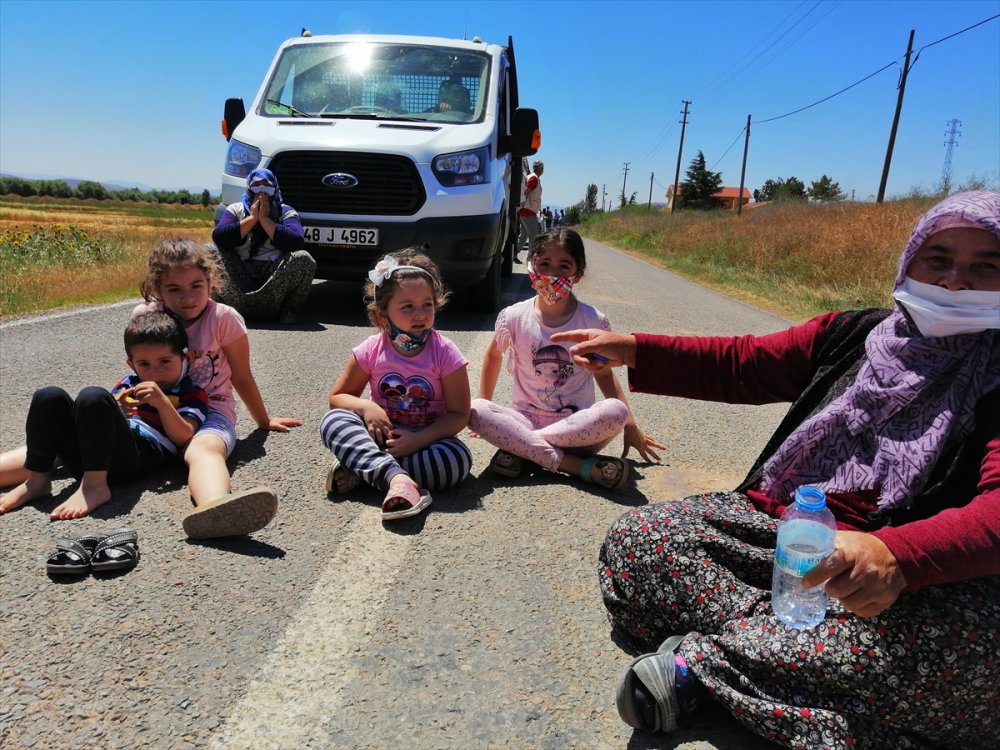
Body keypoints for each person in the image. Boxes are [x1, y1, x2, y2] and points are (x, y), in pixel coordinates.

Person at [552, 191, 1000, 748]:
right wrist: (636, 349)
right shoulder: (855, 334)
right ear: (910, 261)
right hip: (785, 535)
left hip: (889, 580)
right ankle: (791, 663)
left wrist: (900, 556)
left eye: (986, 266)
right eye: (939, 258)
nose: (955, 282)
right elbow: (747, 363)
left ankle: (711, 668)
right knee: (642, 540)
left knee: (965, 650)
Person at [468, 228, 663, 490]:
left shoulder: (592, 321)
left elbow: (603, 373)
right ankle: (573, 465)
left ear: (577, 274)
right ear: (531, 266)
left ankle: (522, 447)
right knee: (476, 409)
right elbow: (493, 356)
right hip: (524, 419)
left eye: (564, 266)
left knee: (617, 411)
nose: (552, 274)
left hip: (576, 430)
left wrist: (630, 426)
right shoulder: (514, 316)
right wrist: (486, 401)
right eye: (544, 264)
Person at [134, 238, 302, 539]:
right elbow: (139, 367)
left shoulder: (223, 318)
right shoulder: (146, 316)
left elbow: (242, 376)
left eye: (196, 285)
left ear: (210, 282)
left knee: (203, 451)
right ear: (157, 289)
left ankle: (216, 507)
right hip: (158, 408)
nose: (187, 297)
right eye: (174, 289)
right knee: (100, 429)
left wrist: (263, 420)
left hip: (212, 410)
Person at [0, 311, 208, 519]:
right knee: (48, 397)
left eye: (165, 361)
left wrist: (163, 404)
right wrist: (117, 409)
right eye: (144, 364)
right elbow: (95, 418)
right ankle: (37, 480)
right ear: (132, 364)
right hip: (94, 456)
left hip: (138, 457)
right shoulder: (128, 384)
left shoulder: (190, 392)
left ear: (186, 358)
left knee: (93, 396)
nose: (155, 372)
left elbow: (184, 436)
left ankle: (95, 486)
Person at [320, 249, 473, 521]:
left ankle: (366, 469)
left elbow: (459, 414)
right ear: (382, 316)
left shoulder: (445, 353)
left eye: (427, 304)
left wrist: (417, 440)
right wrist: (366, 407)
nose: (420, 314)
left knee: (456, 460)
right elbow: (338, 397)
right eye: (408, 307)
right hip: (382, 438)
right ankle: (397, 479)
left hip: (427, 442)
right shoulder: (371, 349)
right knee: (333, 421)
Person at [212, 168, 316, 324]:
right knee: (209, 251)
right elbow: (220, 237)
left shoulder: (286, 212)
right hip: (240, 274)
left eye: (267, 185)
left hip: (273, 279)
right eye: (257, 185)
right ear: (249, 187)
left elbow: (296, 241)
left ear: (275, 187)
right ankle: (218, 310)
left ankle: (288, 311)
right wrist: (253, 219)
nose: (261, 190)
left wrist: (265, 219)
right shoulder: (235, 209)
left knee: (304, 259)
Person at [516, 160, 544, 264]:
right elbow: (526, 191)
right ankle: (530, 259)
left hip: (526, 210)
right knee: (534, 236)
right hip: (528, 211)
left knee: (524, 235)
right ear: (540, 169)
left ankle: (513, 254)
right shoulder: (533, 178)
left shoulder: (533, 178)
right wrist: (522, 204)